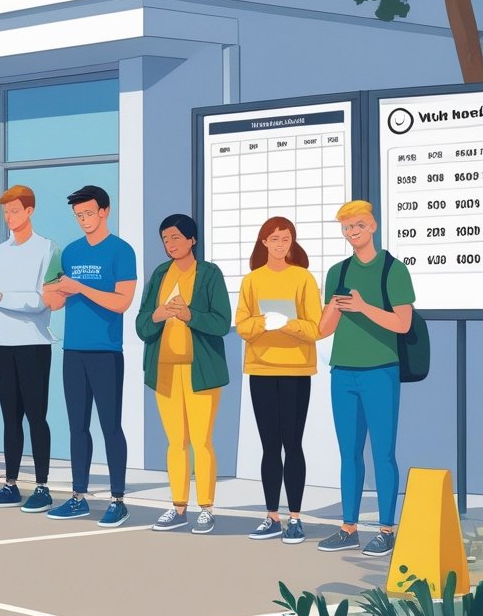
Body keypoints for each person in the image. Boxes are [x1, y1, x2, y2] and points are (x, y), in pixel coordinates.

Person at [317, 200, 414, 558]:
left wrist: (363, 307)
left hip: (380, 371)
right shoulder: (337, 273)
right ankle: (348, 527)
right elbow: (323, 330)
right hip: (342, 372)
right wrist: (333, 308)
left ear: (372, 226)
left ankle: (386, 529)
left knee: (383, 453)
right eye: (346, 228)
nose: (352, 233)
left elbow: (402, 324)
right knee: (349, 454)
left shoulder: (393, 270)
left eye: (358, 225)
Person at [43, 185, 137, 526]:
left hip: (107, 352)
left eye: (88, 213)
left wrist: (80, 286)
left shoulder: (121, 251)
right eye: (78, 215)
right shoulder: (68, 252)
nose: (83, 220)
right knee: (77, 427)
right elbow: (54, 302)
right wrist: (49, 285)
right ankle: (78, 497)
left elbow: (122, 302)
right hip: (74, 352)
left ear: (104, 212)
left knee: (110, 426)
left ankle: (118, 500)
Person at [134, 214, 231, 535]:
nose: (170, 244)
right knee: (175, 442)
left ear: (192, 240)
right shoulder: (160, 273)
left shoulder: (210, 274)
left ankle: (206, 508)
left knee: (201, 441)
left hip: (200, 370)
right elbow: (142, 325)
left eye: (176, 237)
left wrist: (190, 315)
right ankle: (178, 507)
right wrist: (160, 314)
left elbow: (221, 323)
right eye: (165, 239)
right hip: (164, 369)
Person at [236, 217, 322, 545]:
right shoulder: (252, 281)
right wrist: (262, 321)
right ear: (264, 242)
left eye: (286, 238)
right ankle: (272, 516)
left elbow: (314, 328)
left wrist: (286, 324)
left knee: (292, 444)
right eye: (274, 238)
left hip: (296, 371)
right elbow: (242, 325)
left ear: (292, 242)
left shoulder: (303, 278)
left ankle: (295, 518)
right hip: (260, 369)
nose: (280, 243)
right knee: (270, 446)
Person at [0, 185, 59, 513]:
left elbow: (44, 302)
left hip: (35, 344)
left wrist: (2, 298)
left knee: (36, 417)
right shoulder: (0, 252)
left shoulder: (48, 249)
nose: (9, 216)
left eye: (14, 210)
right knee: (10, 419)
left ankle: (42, 486)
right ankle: (10, 484)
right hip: (4, 344)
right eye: (5, 211)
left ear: (30, 211)